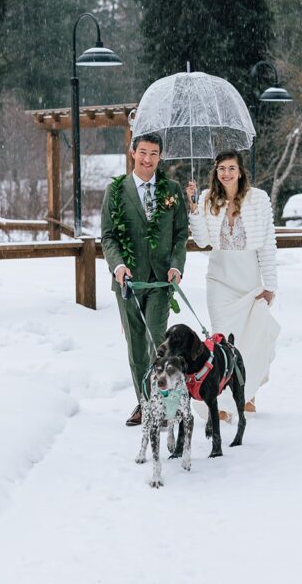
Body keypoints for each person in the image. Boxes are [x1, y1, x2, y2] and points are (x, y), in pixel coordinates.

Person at [101, 133, 189, 427]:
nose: (148, 158)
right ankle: (144, 402)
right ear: (132, 152)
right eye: (143, 152)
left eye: (154, 153)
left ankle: (163, 403)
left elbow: (179, 235)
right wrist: (118, 266)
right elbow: (108, 236)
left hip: (161, 282)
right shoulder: (115, 191)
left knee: (157, 341)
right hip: (129, 283)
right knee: (136, 345)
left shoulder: (172, 190)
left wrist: (176, 266)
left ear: (160, 157)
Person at [186, 150, 280, 421]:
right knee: (222, 342)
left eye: (231, 168)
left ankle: (247, 393)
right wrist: (193, 207)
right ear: (216, 172)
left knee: (249, 338)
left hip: (249, 281)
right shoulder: (207, 198)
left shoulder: (258, 200)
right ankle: (220, 401)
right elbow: (203, 241)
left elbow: (267, 244)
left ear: (240, 171)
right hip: (220, 281)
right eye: (221, 169)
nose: (226, 173)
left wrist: (270, 285)